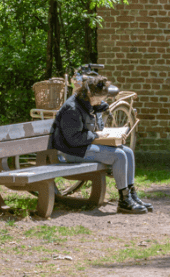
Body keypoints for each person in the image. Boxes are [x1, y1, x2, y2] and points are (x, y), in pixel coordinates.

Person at [50, 75, 152, 214]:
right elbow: (73, 139)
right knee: (119, 155)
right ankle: (124, 200)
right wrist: (97, 136)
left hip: (84, 146)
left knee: (128, 152)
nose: (101, 102)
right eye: (99, 99)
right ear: (90, 93)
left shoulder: (92, 105)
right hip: (72, 152)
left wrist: (109, 135)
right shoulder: (72, 108)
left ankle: (131, 195)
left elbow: (98, 127)